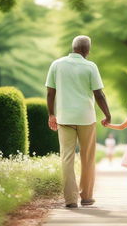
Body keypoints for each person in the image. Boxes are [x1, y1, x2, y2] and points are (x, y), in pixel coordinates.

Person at [45, 35, 111, 208]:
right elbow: (99, 94)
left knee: (66, 157)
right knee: (88, 157)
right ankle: (87, 196)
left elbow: (50, 93)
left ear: (73, 47)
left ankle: (71, 199)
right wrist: (107, 115)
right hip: (86, 118)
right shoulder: (90, 66)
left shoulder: (56, 64)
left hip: (64, 118)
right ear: (87, 50)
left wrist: (51, 114)